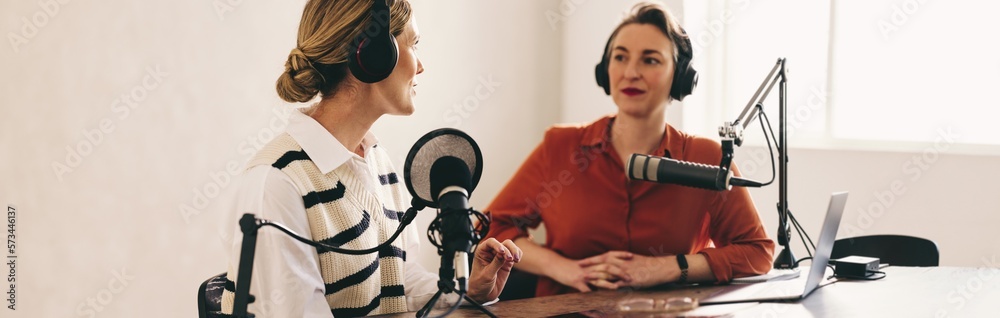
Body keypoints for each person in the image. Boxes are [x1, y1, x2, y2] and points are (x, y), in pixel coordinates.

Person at [219, 0, 521, 316]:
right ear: (374, 56)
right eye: (414, 45)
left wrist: (467, 292)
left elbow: (397, 279)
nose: (421, 66)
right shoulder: (277, 182)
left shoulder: (377, 161)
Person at [484, 1, 774, 297]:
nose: (631, 72)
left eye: (650, 60)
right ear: (605, 71)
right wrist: (561, 267)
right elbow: (491, 227)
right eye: (620, 58)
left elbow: (757, 252)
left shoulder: (706, 158)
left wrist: (670, 267)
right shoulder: (560, 146)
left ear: (681, 77)